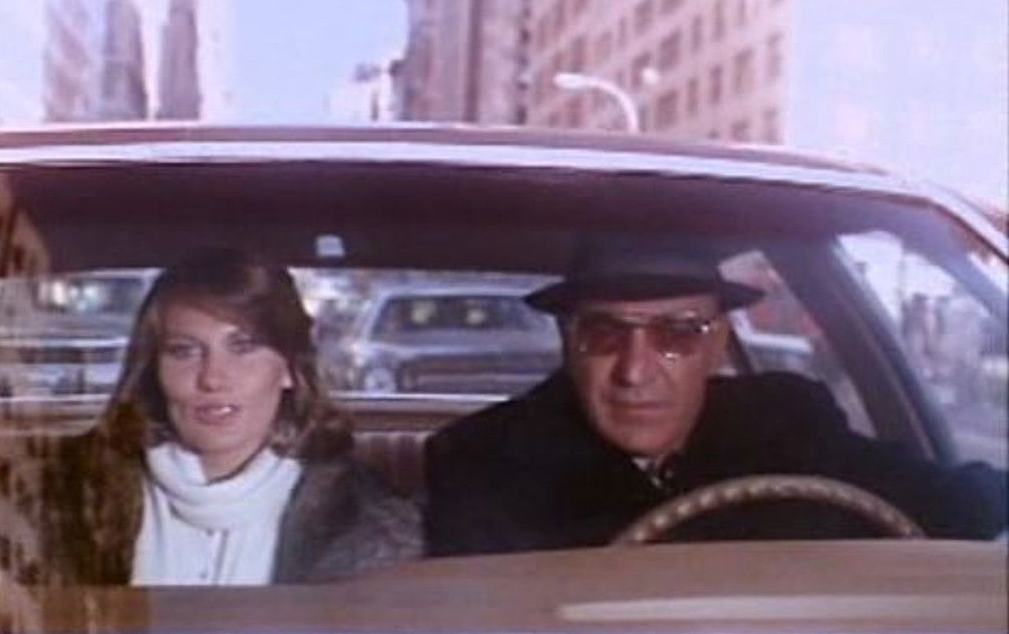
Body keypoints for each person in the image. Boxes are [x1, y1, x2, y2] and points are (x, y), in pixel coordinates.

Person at [423, 235, 1008, 556]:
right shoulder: (483, 459)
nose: (635, 371)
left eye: (677, 334)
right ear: (568, 342)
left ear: (716, 344)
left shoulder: (789, 423)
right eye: (604, 334)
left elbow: (947, 504)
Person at [54, 247, 421, 584]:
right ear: (153, 369)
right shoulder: (65, 495)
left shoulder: (361, 514)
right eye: (184, 351)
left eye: (243, 347)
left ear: (289, 368)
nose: (213, 378)